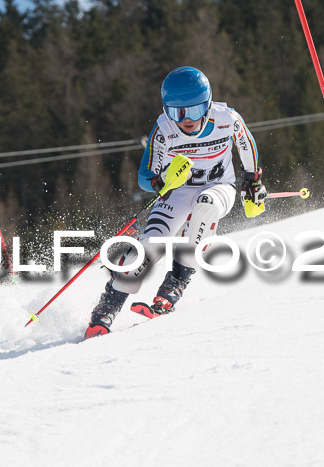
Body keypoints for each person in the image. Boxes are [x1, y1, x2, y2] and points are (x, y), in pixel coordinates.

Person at [85, 66, 266, 338]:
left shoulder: (226, 118)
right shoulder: (165, 128)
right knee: (152, 244)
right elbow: (145, 174)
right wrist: (158, 182)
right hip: (178, 191)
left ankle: (175, 283)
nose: (186, 120)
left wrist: (252, 179)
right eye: (177, 112)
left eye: (193, 111)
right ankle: (109, 305)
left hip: (219, 186)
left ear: (207, 105)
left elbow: (246, 144)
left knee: (205, 208)